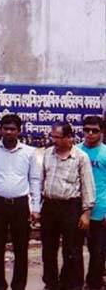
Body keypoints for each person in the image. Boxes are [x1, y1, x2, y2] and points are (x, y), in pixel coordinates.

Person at [0, 114, 41, 290]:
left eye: (12, 129)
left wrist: (35, 207)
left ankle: (19, 286)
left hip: (20, 205)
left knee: (21, 248)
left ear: (19, 131)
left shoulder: (29, 152)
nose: (9, 132)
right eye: (5, 128)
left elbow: (34, 180)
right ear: (0, 129)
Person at [40, 122, 95, 290]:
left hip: (71, 207)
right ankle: (51, 284)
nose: (54, 140)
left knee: (72, 251)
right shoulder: (48, 154)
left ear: (69, 138)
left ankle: (73, 285)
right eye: (53, 137)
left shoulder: (80, 157)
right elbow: (42, 179)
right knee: (48, 249)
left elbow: (88, 186)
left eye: (58, 137)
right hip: (49, 206)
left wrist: (86, 213)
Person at [77, 116, 106, 290]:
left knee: (97, 252)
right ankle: (74, 283)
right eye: (86, 129)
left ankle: (93, 284)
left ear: (101, 131)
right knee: (73, 251)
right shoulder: (76, 151)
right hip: (76, 210)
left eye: (94, 130)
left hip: (100, 210)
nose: (90, 133)